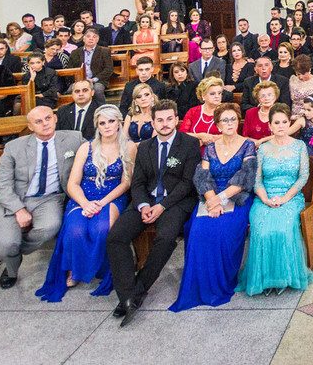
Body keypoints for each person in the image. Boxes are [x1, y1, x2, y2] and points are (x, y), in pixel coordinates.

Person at [106, 99, 202, 325]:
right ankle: (127, 293)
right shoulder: (145, 147)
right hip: (146, 200)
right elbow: (137, 183)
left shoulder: (189, 144)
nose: (165, 124)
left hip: (176, 202)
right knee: (115, 237)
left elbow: (188, 183)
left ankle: (138, 290)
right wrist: (143, 205)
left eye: (170, 119)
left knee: (166, 238)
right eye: (160, 119)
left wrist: (162, 206)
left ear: (177, 119)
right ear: (153, 122)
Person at [36, 105, 131, 302]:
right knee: (75, 229)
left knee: (103, 228)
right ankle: (75, 269)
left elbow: (126, 182)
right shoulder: (86, 147)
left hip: (112, 195)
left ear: (119, 122)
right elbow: (73, 183)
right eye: (102, 123)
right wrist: (86, 203)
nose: (107, 126)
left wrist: (101, 203)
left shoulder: (129, 147)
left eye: (111, 121)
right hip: (83, 196)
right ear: (97, 125)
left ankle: (100, 268)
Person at [170, 103, 257, 311]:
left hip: (237, 195)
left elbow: (246, 177)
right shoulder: (210, 148)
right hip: (210, 195)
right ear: (217, 124)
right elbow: (203, 176)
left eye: (233, 119)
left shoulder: (248, 145)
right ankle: (198, 285)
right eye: (225, 120)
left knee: (222, 230)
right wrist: (210, 199)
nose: (230, 123)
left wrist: (220, 199)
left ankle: (222, 283)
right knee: (198, 229)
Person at [0, 106, 84, 288]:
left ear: (55, 118)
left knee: (50, 227)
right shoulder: (13, 147)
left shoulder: (75, 139)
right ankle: (10, 267)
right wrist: (18, 209)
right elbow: (1, 184)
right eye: (38, 122)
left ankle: (14, 252)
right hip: (16, 198)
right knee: (4, 246)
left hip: (49, 199)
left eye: (48, 118)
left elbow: (98, 150)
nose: (45, 124)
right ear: (30, 127)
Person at [238, 102, 313, 296]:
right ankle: (264, 279)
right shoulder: (263, 149)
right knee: (262, 229)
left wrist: (285, 197)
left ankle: (284, 277)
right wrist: (265, 199)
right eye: (276, 122)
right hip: (265, 196)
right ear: (270, 126)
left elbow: (303, 177)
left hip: (291, 196)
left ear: (290, 123)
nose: (281, 126)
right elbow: (257, 180)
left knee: (283, 228)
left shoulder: (299, 146)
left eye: (284, 122)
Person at [180, 76, 227, 145]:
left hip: (219, 150)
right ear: (203, 96)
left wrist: (210, 138)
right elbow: (182, 134)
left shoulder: (227, 112)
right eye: (212, 94)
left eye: (219, 93)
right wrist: (200, 136)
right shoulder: (193, 111)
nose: (217, 96)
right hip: (195, 149)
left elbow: (232, 136)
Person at [66, 27, 113, 95]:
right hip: (80, 80)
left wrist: (93, 80)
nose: (91, 39)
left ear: (97, 40)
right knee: (71, 90)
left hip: (98, 80)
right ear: (84, 39)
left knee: (97, 89)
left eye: (94, 37)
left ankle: (99, 105)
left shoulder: (105, 51)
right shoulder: (75, 52)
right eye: (88, 36)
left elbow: (109, 69)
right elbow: (71, 69)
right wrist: (80, 80)